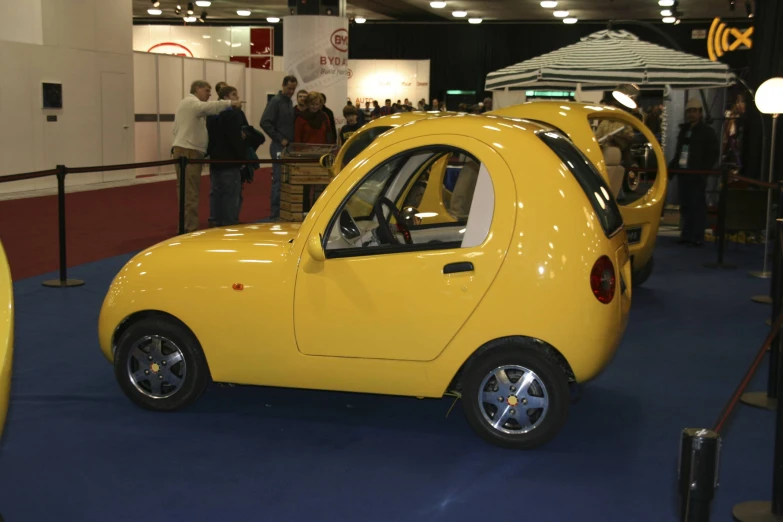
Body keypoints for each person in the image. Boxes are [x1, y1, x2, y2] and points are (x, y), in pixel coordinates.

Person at [172, 80, 240, 232]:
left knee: (186, 193)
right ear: (197, 89)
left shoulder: (188, 106)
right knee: (190, 194)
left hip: (186, 151)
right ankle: (189, 230)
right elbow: (209, 107)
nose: (210, 94)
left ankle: (185, 226)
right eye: (207, 90)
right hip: (188, 152)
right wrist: (229, 103)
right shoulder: (191, 103)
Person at [670, 97, 720, 247]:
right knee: (685, 205)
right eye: (689, 111)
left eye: (694, 111)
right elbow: (679, 152)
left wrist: (704, 171)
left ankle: (698, 236)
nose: (691, 114)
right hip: (683, 172)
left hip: (697, 173)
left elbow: (713, 153)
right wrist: (671, 169)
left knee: (697, 205)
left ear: (700, 113)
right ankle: (686, 234)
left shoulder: (707, 132)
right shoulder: (684, 130)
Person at [206, 85, 247, 227]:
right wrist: (242, 159)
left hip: (215, 160)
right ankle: (229, 225)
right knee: (231, 195)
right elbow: (235, 139)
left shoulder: (211, 115)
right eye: (234, 95)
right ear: (225, 98)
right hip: (230, 161)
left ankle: (215, 221)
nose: (237, 98)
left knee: (216, 193)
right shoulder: (231, 115)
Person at [260, 75, 298, 221]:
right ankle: (275, 215)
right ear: (283, 86)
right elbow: (264, 122)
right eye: (289, 88)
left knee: (285, 180)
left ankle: (282, 212)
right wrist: (279, 139)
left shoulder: (289, 102)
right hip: (278, 146)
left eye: (293, 89)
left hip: (288, 147)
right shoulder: (275, 102)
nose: (291, 91)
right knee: (278, 181)